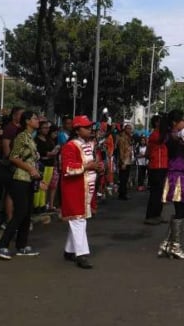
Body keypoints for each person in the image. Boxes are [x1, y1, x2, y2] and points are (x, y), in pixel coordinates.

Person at [0, 111, 42, 260]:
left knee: (27, 213)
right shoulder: (21, 137)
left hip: (29, 179)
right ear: (27, 121)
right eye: (34, 118)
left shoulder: (30, 138)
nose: (38, 121)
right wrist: (31, 169)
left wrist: (37, 176)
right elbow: (13, 157)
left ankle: (22, 246)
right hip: (19, 178)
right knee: (20, 212)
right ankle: (2, 245)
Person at [60, 115, 103, 269]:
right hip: (75, 188)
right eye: (86, 127)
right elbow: (67, 168)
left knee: (79, 219)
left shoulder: (88, 145)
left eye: (90, 127)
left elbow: (91, 164)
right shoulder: (70, 146)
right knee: (79, 220)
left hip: (85, 188)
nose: (90, 129)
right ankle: (81, 254)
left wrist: (98, 167)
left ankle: (69, 250)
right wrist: (88, 167)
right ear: (77, 130)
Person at [156, 110, 184, 260]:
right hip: (177, 175)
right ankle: (175, 247)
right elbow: (174, 137)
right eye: (182, 120)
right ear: (175, 123)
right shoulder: (170, 136)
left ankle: (167, 244)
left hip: (181, 174)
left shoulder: (177, 135)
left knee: (182, 211)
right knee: (182, 211)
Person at [144, 115, 168, 225]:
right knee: (155, 192)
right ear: (156, 123)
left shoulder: (162, 133)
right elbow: (160, 139)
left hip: (162, 166)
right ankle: (150, 216)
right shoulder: (155, 134)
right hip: (155, 166)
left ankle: (157, 214)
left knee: (160, 192)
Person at [34, 120, 59, 213]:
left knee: (45, 186)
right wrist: (48, 154)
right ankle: (36, 206)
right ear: (39, 129)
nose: (47, 130)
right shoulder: (36, 140)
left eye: (48, 128)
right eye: (45, 128)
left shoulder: (49, 139)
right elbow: (40, 153)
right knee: (40, 185)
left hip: (50, 164)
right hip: (42, 165)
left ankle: (42, 204)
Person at [116, 124, 134, 200]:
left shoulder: (129, 138)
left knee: (125, 178)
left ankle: (123, 193)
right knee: (123, 178)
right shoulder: (122, 138)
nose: (130, 130)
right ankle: (122, 194)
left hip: (128, 160)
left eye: (130, 129)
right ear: (125, 129)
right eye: (128, 128)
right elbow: (121, 151)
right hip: (124, 161)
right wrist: (123, 162)